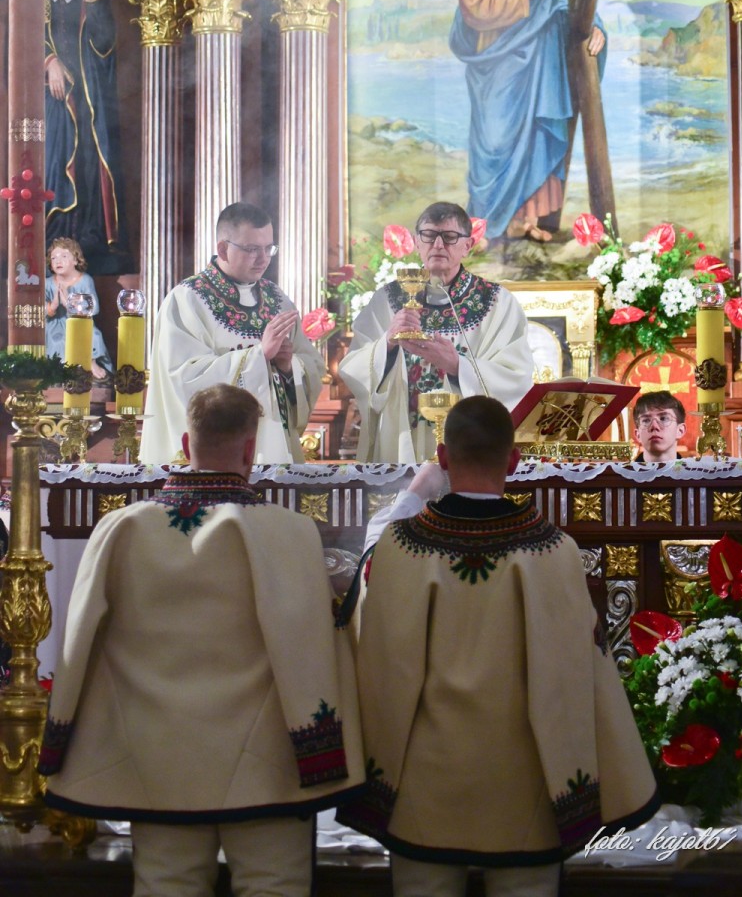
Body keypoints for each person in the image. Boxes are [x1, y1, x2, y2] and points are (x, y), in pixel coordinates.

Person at [39, 384, 364, 897]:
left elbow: (76, 646)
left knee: (165, 885)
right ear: (251, 449)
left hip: (156, 756)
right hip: (266, 764)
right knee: (273, 886)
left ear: (186, 445)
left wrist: (59, 746)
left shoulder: (120, 529)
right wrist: (323, 756)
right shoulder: (289, 532)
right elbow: (312, 654)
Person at [338, 396, 658, 896]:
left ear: (443, 458)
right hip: (525, 791)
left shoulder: (402, 547)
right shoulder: (553, 550)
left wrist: (369, 786)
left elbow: (380, 670)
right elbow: (579, 674)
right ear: (513, 461)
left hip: (424, 790)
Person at [450, 0, 605, 242]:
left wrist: (595, 25)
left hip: (543, 61)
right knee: (495, 142)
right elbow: (474, 9)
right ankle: (488, 224)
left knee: (538, 134)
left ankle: (529, 221)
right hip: (497, 62)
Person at [338, 201, 534, 463]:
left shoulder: (498, 303)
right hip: (401, 443)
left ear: (468, 245)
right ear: (417, 243)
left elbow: (517, 377)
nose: (438, 245)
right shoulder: (387, 299)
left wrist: (458, 367)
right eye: (429, 235)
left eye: (450, 237)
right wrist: (387, 344)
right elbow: (353, 368)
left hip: (470, 444)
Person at [140, 203, 325, 465]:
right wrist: (259, 356)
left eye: (268, 248)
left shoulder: (277, 299)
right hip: (212, 456)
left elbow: (312, 365)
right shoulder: (187, 300)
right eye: (252, 249)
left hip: (275, 452)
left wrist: (287, 367)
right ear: (223, 249)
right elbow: (183, 378)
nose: (263, 259)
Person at [43, 0, 131, 274]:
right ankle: (53, 241)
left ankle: (89, 241)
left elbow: (105, 43)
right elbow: (16, 44)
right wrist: (49, 60)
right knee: (54, 169)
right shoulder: (32, 2)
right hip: (52, 110)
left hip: (90, 106)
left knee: (90, 170)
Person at [45, 237, 110, 379]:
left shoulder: (85, 280)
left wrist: (69, 304)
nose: (58, 261)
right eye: (54, 258)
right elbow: (39, 308)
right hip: (56, 323)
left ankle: (90, 362)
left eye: (64, 256)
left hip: (81, 322)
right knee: (58, 339)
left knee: (94, 335)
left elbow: (94, 307)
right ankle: (61, 370)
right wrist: (53, 306)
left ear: (75, 260)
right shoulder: (48, 283)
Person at [632, 391, 687, 463]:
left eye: (663, 419)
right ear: (638, 434)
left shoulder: (694, 470)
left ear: (680, 430)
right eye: (646, 420)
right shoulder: (622, 471)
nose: (654, 426)